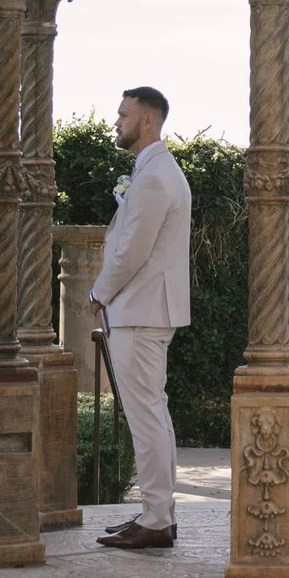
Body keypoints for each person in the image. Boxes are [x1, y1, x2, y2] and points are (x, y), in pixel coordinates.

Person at [90, 86, 193, 550]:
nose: (117, 121)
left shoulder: (154, 177)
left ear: (147, 121)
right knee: (154, 414)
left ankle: (156, 518)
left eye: (123, 114)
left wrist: (98, 292)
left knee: (146, 417)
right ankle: (159, 513)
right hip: (146, 309)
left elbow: (133, 248)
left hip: (139, 310)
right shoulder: (157, 170)